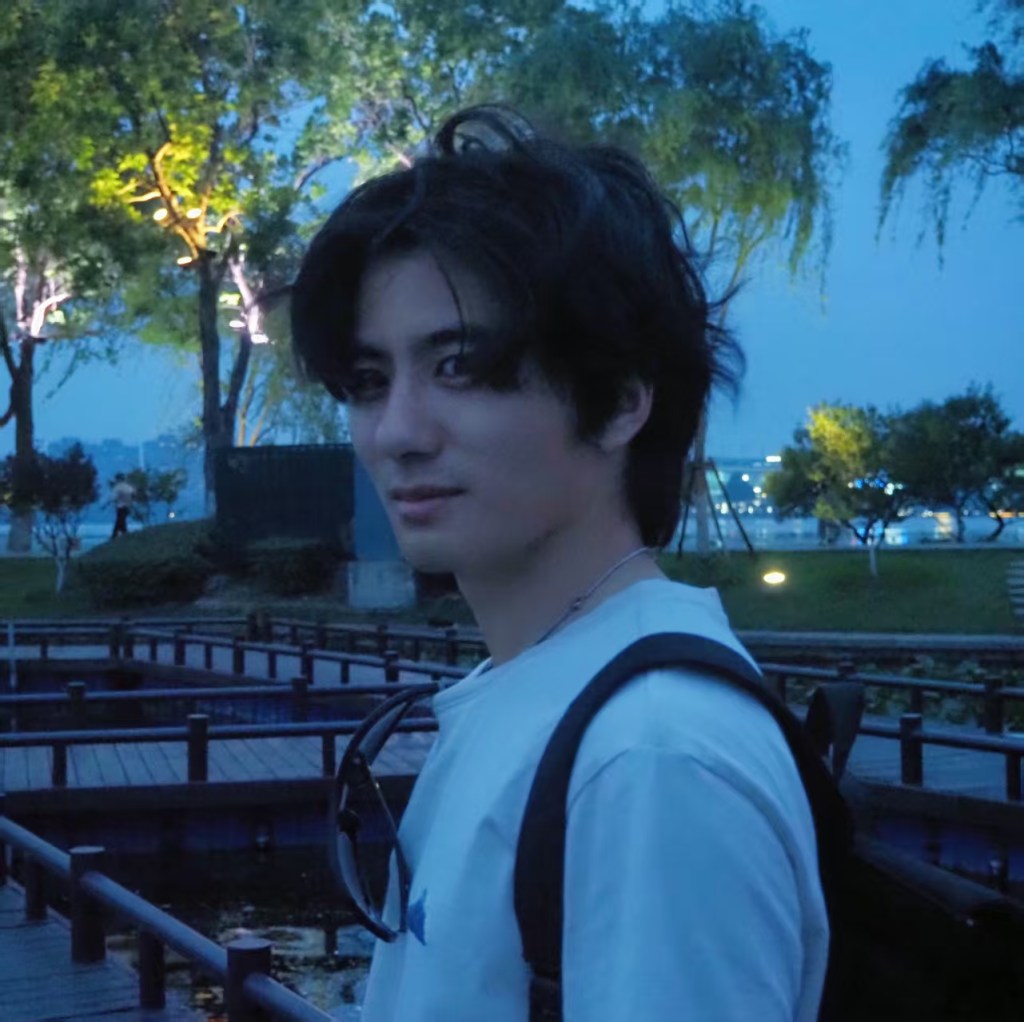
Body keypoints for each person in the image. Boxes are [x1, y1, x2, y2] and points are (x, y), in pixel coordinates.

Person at [291, 106, 828, 1021]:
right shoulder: (538, 691)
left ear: (618, 402)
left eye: (459, 366)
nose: (397, 433)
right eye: (370, 382)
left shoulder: (653, 758)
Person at [110, 473, 134, 539]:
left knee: (120, 521)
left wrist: (113, 501)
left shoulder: (117, 487)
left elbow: (114, 497)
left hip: (120, 506)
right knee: (121, 520)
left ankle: (117, 535)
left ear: (118, 479)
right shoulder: (129, 487)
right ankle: (118, 534)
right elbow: (132, 495)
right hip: (127, 506)